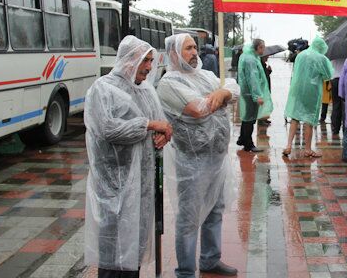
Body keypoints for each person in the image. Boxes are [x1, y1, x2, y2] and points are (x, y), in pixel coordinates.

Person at [84, 36, 173, 278]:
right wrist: (148, 125)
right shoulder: (103, 89)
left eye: (152, 61)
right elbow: (108, 129)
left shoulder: (145, 91)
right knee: (114, 255)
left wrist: (165, 133)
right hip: (114, 188)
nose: (149, 67)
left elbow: (162, 123)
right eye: (145, 60)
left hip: (142, 188)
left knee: (134, 251)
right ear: (129, 59)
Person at [157, 34, 240, 278]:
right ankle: (185, 271)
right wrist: (221, 96)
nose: (195, 52)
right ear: (173, 54)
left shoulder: (205, 75)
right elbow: (197, 110)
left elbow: (234, 88)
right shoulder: (169, 83)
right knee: (189, 218)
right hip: (192, 162)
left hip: (217, 158)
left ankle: (210, 259)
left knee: (215, 210)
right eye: (188, 48)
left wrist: (223, 93)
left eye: (195, 47)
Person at [284, 36, 334, 157]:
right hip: (312, 91)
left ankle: (288, 146)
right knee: (309, 119)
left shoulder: (301, 54)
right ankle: (307, 149)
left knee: (295, 117)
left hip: (297, 88)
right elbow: (327, 75)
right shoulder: (321, 58)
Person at [236, 39, 272, 152]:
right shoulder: (251, 60)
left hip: (247, 92)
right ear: (257, 47)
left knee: (246, 117)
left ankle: (242, 139)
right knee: (250, 119)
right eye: (262, 47)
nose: (264, 49)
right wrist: (257, 96)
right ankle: (248, 144)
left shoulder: (249, 56)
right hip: (250, 93)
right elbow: (253, 78)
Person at [330, 58, 346, 135]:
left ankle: (335, 128)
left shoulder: (333, 57)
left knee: (336, 104)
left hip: (335, 80)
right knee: (345, 105)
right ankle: (345, 128)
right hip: (345, 80)